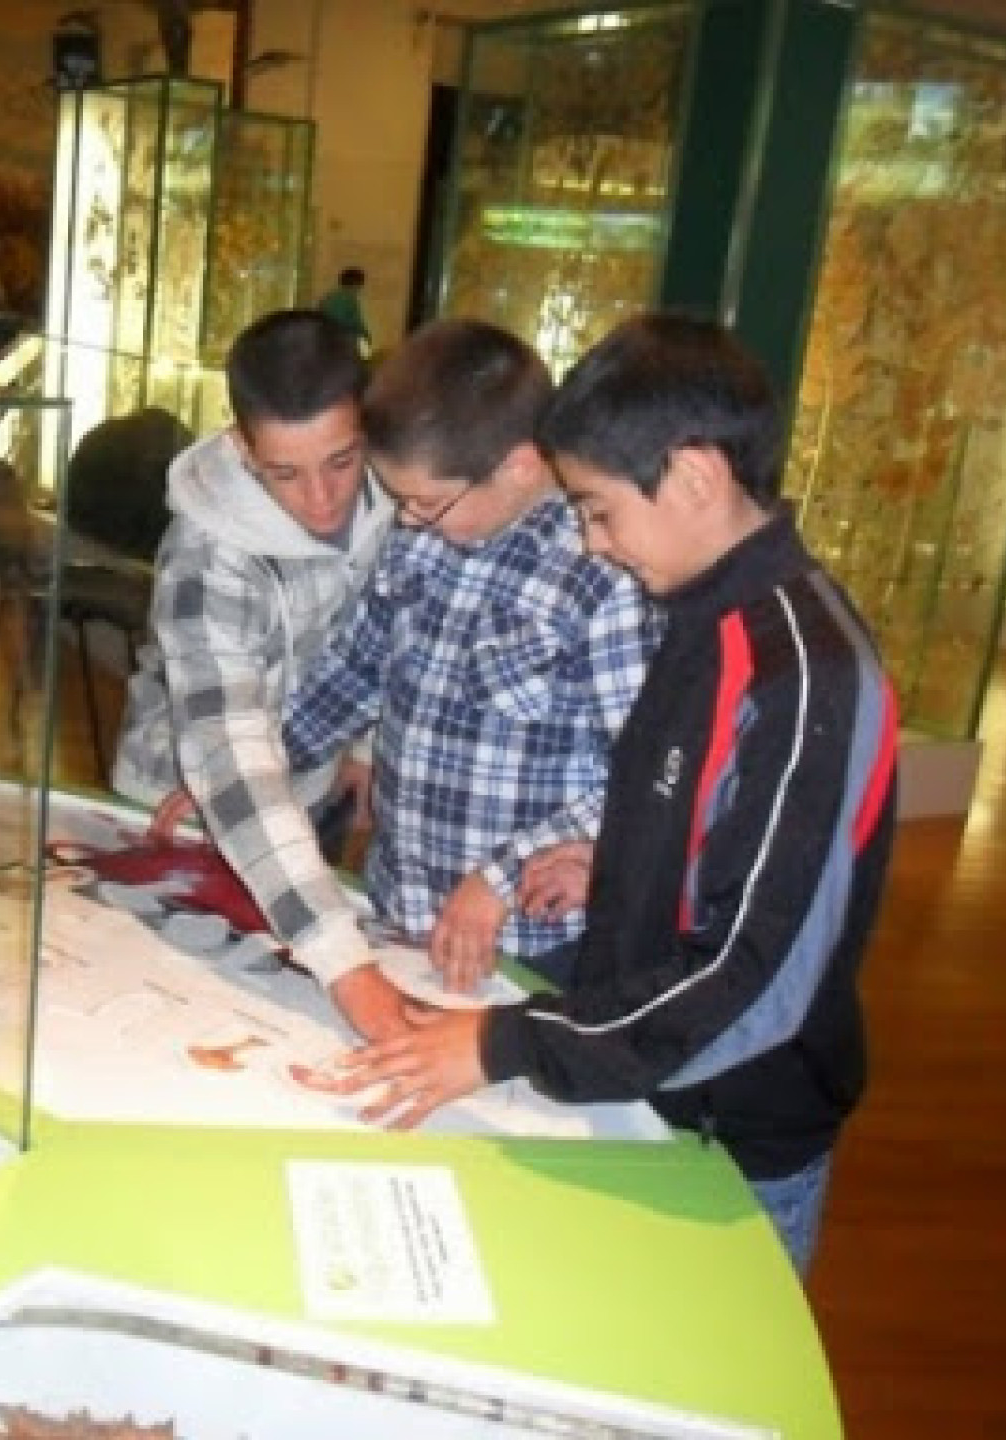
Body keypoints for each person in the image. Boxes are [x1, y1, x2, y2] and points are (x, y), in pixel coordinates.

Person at [303, 313, 899, 1277]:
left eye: (600, 511)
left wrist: (503, 1043)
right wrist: (623, 858)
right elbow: (687, 812)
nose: (592, 542)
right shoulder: (700, 616)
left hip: (735, 1134)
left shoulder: (801, 675)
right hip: (645, 1082)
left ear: (695, 477)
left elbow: (752, 982)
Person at [280, 318, 657, 991]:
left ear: (519, 466)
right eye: (397, 500)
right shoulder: (417, 540)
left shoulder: (604, 574)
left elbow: (644, 775)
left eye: (427, 502)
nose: (407, 519)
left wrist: (501, 878)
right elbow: (351, 674)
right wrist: (253, 770)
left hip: (532, 938)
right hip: (400, 904)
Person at [111, 309, 407, 1039]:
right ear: (244, 447)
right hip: (183, 807)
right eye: (285, 473)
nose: (322, 499)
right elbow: (229, 754)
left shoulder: (402, 483)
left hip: (311, 783)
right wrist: (345, 962)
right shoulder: (206, 556)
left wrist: (365, 744)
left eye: (340, 461)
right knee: (174, 1026)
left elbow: (389, 627)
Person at [316, 267, 372, 353]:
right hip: (341, 343)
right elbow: (355, 324)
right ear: (357, 284)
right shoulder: (349, 299)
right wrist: (367, 338)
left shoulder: (329, 297)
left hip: (323, 341)